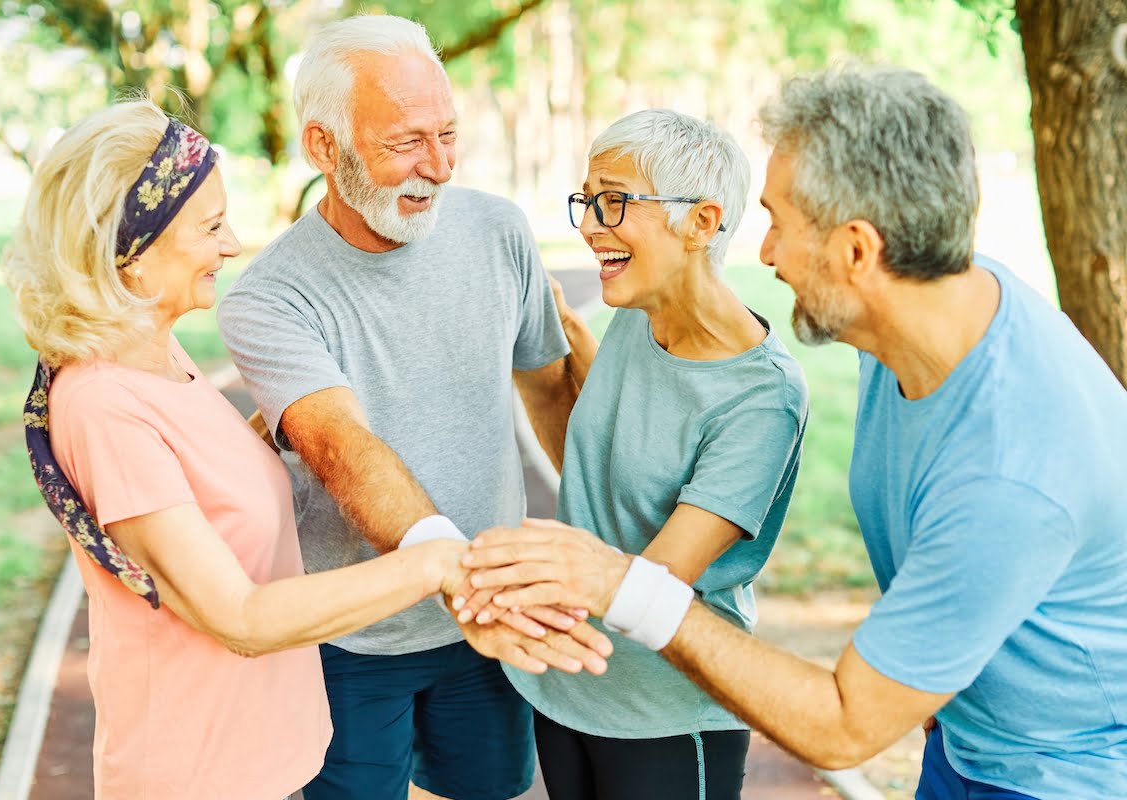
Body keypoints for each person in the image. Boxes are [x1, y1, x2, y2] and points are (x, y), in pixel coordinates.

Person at [459, 65, 1127, 800]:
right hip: (965, 740)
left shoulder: (1009, 467)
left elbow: (845, 725)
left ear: (857, 251)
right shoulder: (924, 314)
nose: (766, 252)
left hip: (1059, 778)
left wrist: (615, 582)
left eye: (779, 223)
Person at [3, 99, 608, 800]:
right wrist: (436, 560)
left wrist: (324, 399)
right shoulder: (106, 404)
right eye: (209, 227)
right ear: (129, 252)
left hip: (258, 753)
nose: (230, 244)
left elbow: (211, 475)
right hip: (195, 771)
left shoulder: (154, 354)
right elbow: (240, 617)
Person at [215, 15, 591, 800]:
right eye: (406, 143)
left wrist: (594, 541)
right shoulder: (271, 296)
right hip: (349, 638)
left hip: (485, 619)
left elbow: (549, 386)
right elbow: (338, 443)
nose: (440, 166)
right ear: (323, 146)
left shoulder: (498, 231)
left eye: (448, 134)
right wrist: (454, 573)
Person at [458, 109, 807, 800]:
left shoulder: (760, 397)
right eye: (588, 199)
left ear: (702, 223)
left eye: (614, 201)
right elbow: (592, 469)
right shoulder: (634, 316)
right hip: (570, 687)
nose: (589, 224)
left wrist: (500, 585)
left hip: (667, 712)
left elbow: (658, 580)